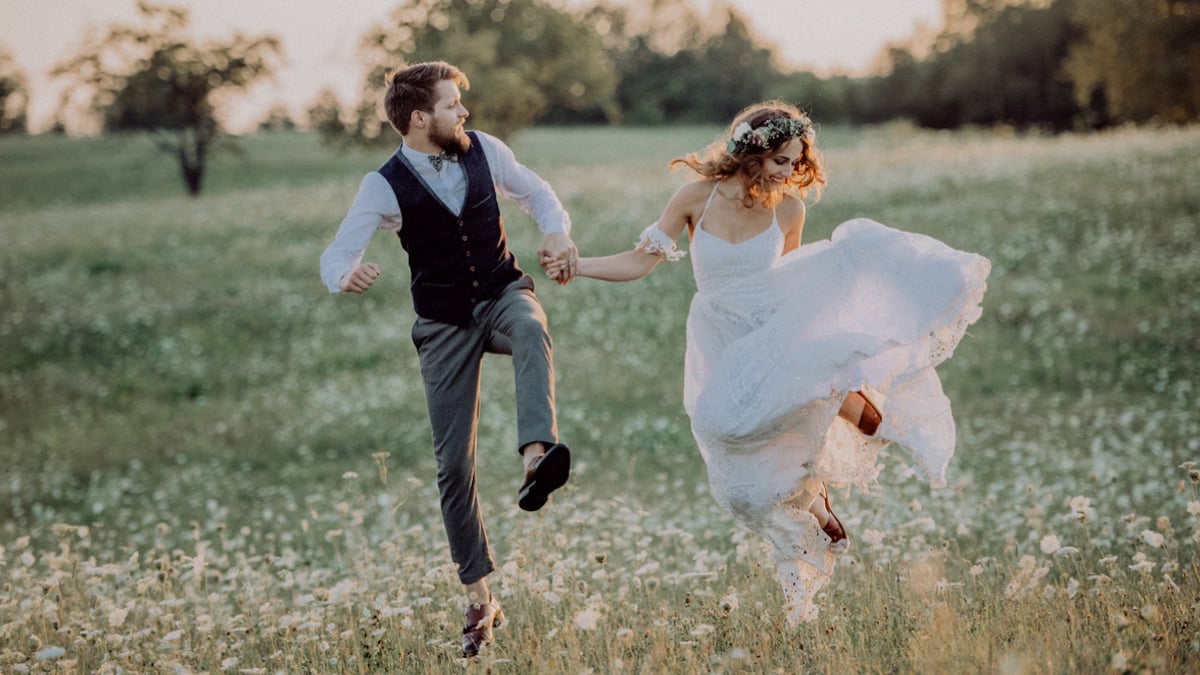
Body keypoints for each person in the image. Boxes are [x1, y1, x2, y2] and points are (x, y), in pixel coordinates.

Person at [546, 101, 990, 624]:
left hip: (774, 333)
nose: (790, 172)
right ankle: (817, 499)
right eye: (781, 159)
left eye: (796, 161)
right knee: (724, 433)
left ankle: (816, 541)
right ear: (752, 150)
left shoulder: (789, 209)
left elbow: (792, 277)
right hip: (720, 338)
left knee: (818, 419)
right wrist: (581, 267)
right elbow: (641, 260)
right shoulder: (695, 198)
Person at [319, 61, 580, 656]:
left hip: (502, 293)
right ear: (419, 118)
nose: (464, 112)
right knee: (452, 469)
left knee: (533, 328)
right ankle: (482, 599)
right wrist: (344, 275)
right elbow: (338, 251)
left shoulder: (486, 149)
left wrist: (557, 230)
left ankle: (536, 459)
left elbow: (535, 192)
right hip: (442, 325)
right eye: (451, 104)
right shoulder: (382, 184)